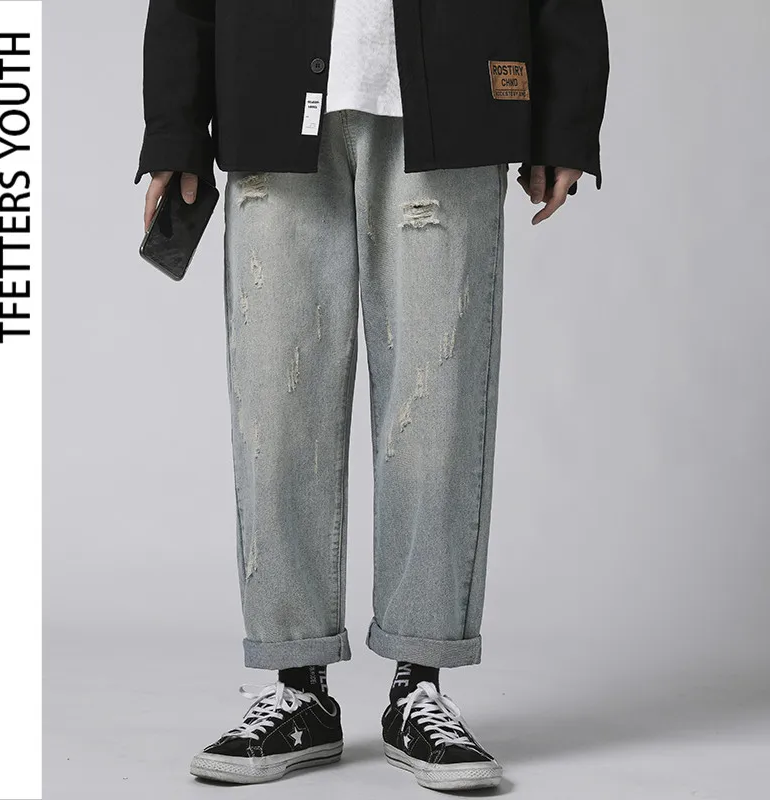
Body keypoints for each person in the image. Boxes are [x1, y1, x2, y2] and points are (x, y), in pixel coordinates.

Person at [135, 0, 609, 790]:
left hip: (458, 93)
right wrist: (174, 131)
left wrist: (565, 122)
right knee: (275, 410)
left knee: (439, 407)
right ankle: (297, 689)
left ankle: (420, 686)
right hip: (268, 90)